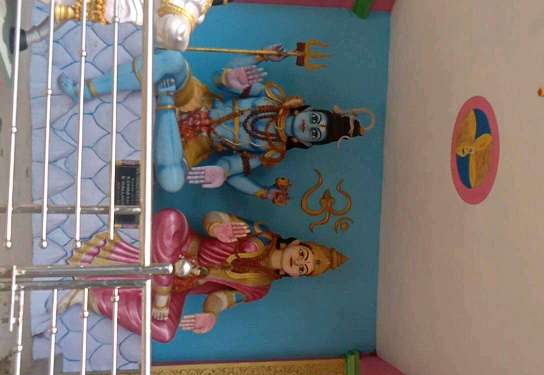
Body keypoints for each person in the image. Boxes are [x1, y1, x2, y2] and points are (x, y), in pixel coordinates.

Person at [58, 48, 374, 202]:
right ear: (310, 110)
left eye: (316, 133)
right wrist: (246, 65)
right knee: (173, 61)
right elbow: (224, 77)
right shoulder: (271, 96)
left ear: (308, 142)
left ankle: (164, 105)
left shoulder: (272, 151)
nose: (310, 126)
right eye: (316, 120)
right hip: (199, 102)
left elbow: (232, 168)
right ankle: (88, 90)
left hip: (197, 142)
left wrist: (253, 188)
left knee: (172, 182)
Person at [63, 208, 347, 340]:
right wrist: (217, 227)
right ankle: (159, 284)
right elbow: (216, 216)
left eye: (303, 268)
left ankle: (92, 298)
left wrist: (211, 314)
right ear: (297, 244)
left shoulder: (260, 288)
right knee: (172, 218)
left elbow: (222, 298)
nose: (298, 262)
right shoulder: (262, 233)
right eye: (303, 255)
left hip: (181, 285)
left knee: (164, 331)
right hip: (181, 247)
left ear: (296, 275)